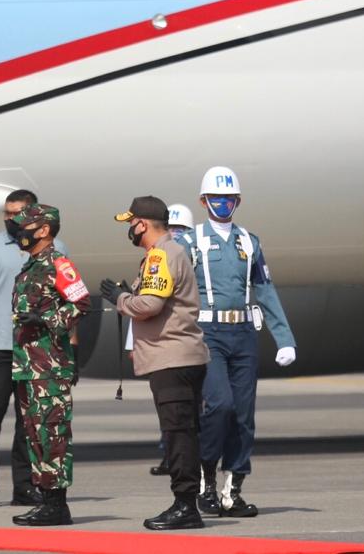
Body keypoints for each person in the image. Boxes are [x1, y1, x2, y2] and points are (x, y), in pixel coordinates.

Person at [177, 166, 296, 518]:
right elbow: (173, 291)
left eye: (228, 198)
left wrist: (284, 338)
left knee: (244, 416)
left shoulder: (250, 241)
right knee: (220, 406)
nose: (222, 204)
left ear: (238, 201)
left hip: (244, 333)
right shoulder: (189, 242)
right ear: (203, 201)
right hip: (207, 333)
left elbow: (265, 289)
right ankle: (205, 479)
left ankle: (232, 491)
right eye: (215, 198)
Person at [102, 195, 209, 530]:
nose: (130, 229)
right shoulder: (170, 252)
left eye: (131, 223)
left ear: (143, 224)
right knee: (184, 431)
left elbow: (149, 304)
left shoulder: (160, 255)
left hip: (171, 358)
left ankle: (185, 505)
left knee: (178, 433)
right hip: (182, 355)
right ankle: (186, 502)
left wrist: (120, 299)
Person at [0, 189, 68, 509]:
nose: (10, 219)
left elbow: (68, 301)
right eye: (6, 213)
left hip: (37, 348)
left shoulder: (56, 249)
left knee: (28, 422)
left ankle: (25, 486)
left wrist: (70, 348)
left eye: (16, 213)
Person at [8, 204, 88, 526]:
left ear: (44, 230)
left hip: (50, 367)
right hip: (28, 366)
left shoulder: (59, 264)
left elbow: (81, 302)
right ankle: (46, 499)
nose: (19, 233)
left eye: (25, 226)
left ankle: (58, 504)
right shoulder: (29, 268)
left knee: (53, 434)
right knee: (34, 434)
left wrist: (46, 319)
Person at [148, 202, 197, 476]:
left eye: (182, 229)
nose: (177, 234)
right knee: (167, 406)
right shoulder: (157, 257)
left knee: (185, 409)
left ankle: (185, 460)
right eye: (173, 228)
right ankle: (168, 453)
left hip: (187, 343)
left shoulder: (191, 257)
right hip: (162, 344)